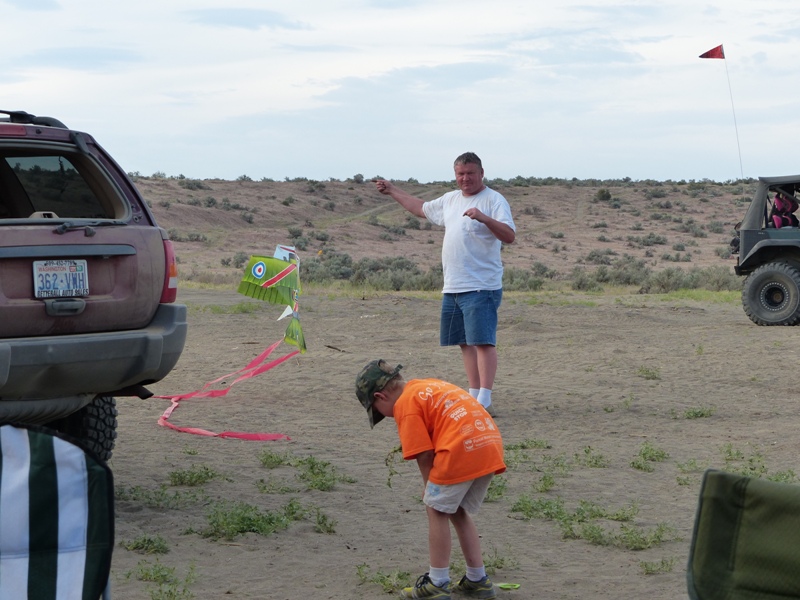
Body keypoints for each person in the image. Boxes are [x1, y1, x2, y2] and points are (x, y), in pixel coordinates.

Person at [374, 153, 516, 416]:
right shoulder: (451, 199)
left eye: (470, 173)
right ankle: (474, 395)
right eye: (460, 174)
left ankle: (484, 398)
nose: (465, 178)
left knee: (483, 342)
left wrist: (485, 218)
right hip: (453, 285)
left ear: (481, 173)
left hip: (481, 285)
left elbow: (509, 236)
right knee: (464, 341)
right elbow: (421, 208)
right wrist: (393, 190)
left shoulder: (494, 200)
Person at [355, 359, 506, 599]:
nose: (386, 417)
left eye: (377, 410)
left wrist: (430, 492)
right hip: (488, 444)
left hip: (461, 449)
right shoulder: (426, 386)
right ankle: (478, 579)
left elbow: (424, 455)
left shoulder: (405, 405)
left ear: (380, 396)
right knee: (457, 510)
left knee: (435, 510)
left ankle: (437, 582)